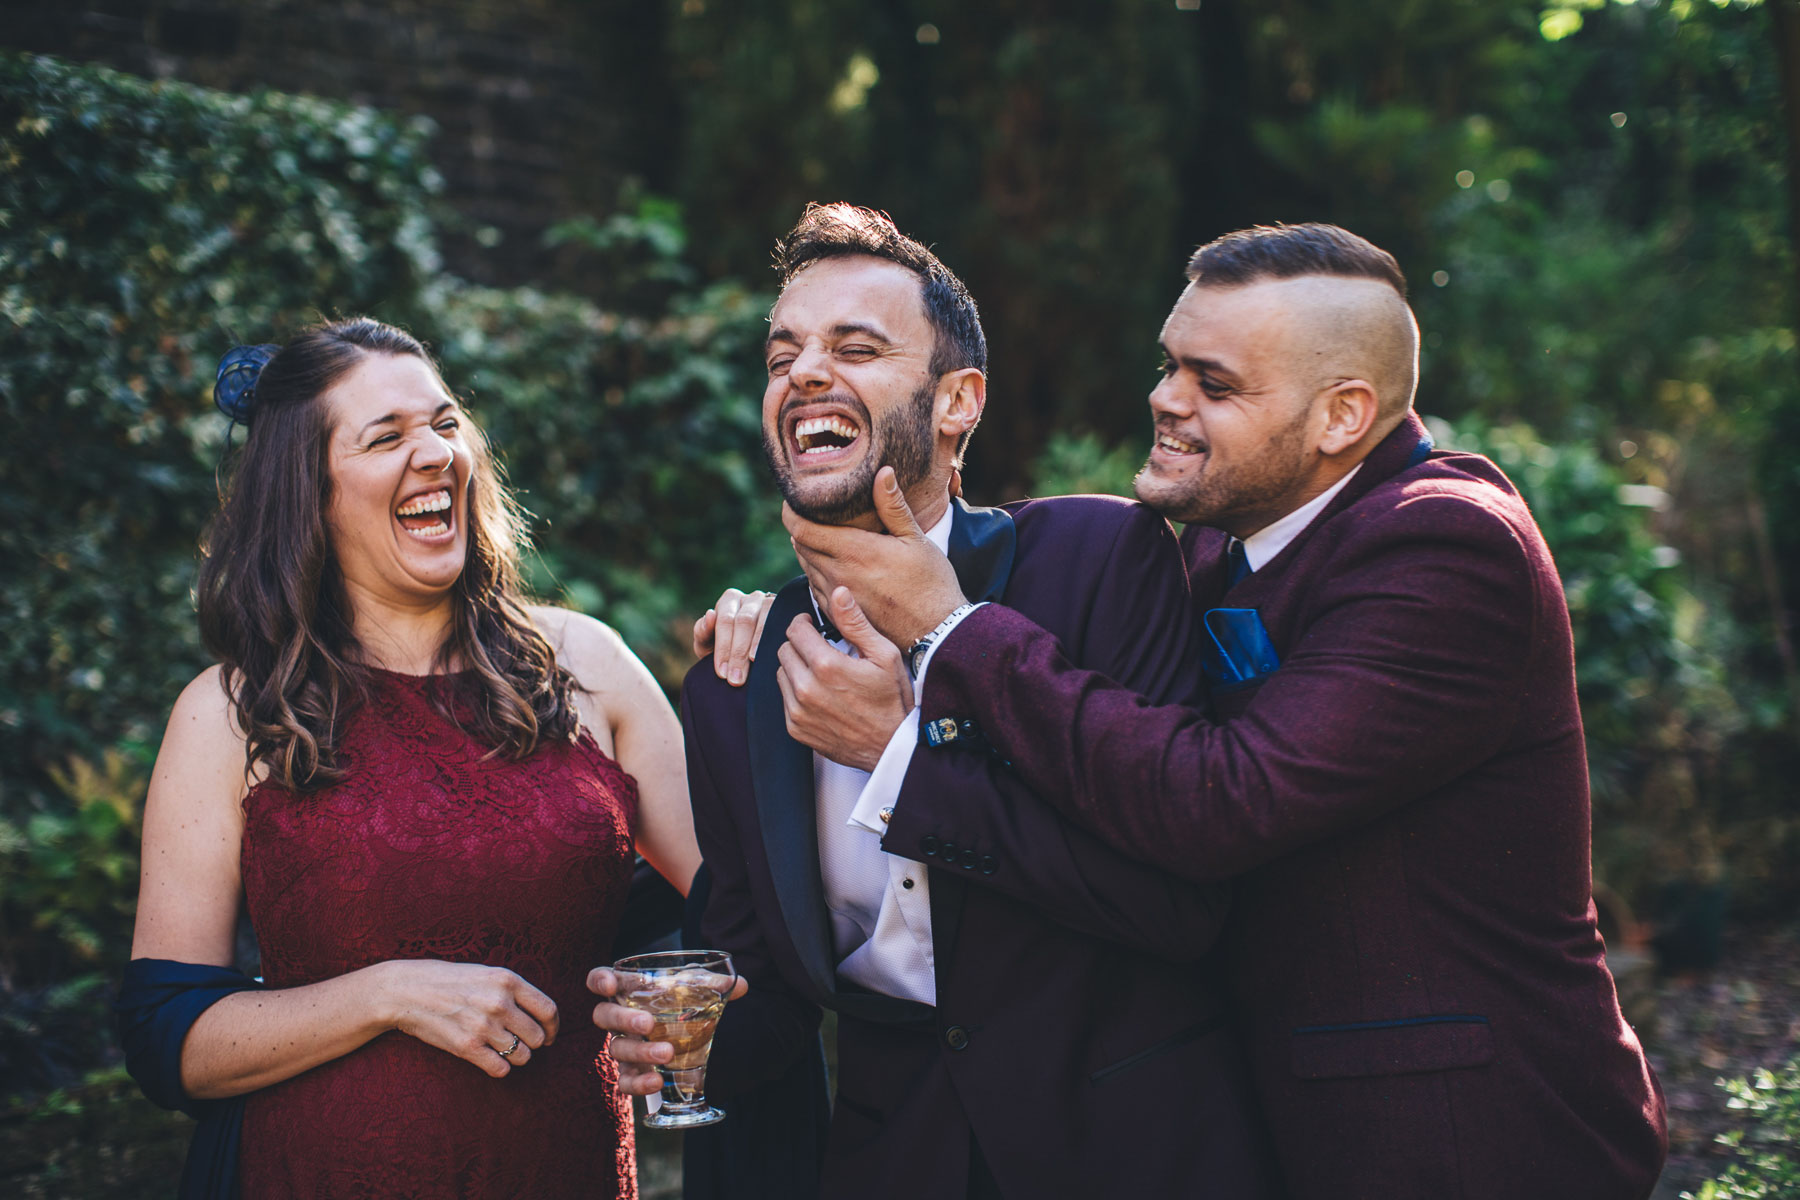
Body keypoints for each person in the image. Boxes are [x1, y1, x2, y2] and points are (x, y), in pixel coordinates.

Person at [743, 223, 1669, 1199]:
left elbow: (1220, 799)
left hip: (1461, 1137)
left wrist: (951, 632)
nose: (1164, 400)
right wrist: (760, 617)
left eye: (1213, 384)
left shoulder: (1447, 547)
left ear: (1341, 417)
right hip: (1270, 1123)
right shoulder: (1222, 550)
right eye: (1168, 365)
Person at [590, 204, 1275, 1199]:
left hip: (1135, 1156)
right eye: (783, 355)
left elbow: (1178, 905)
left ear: (958, 401)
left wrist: (903, 756)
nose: (804, 374)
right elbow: (772, 1001)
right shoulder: (733, 677)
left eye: (854, 348)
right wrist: (681, 1037)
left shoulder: (1100, 561)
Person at [118, 318, 702, 1199]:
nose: (433, 453)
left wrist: (769, 657)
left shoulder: (592, 666)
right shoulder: (231, 714)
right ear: (310, 493)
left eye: (443, 423)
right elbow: (167, 1036)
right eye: (385, 437)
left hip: (563, 1170)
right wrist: (384, 995)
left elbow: (750, 908)